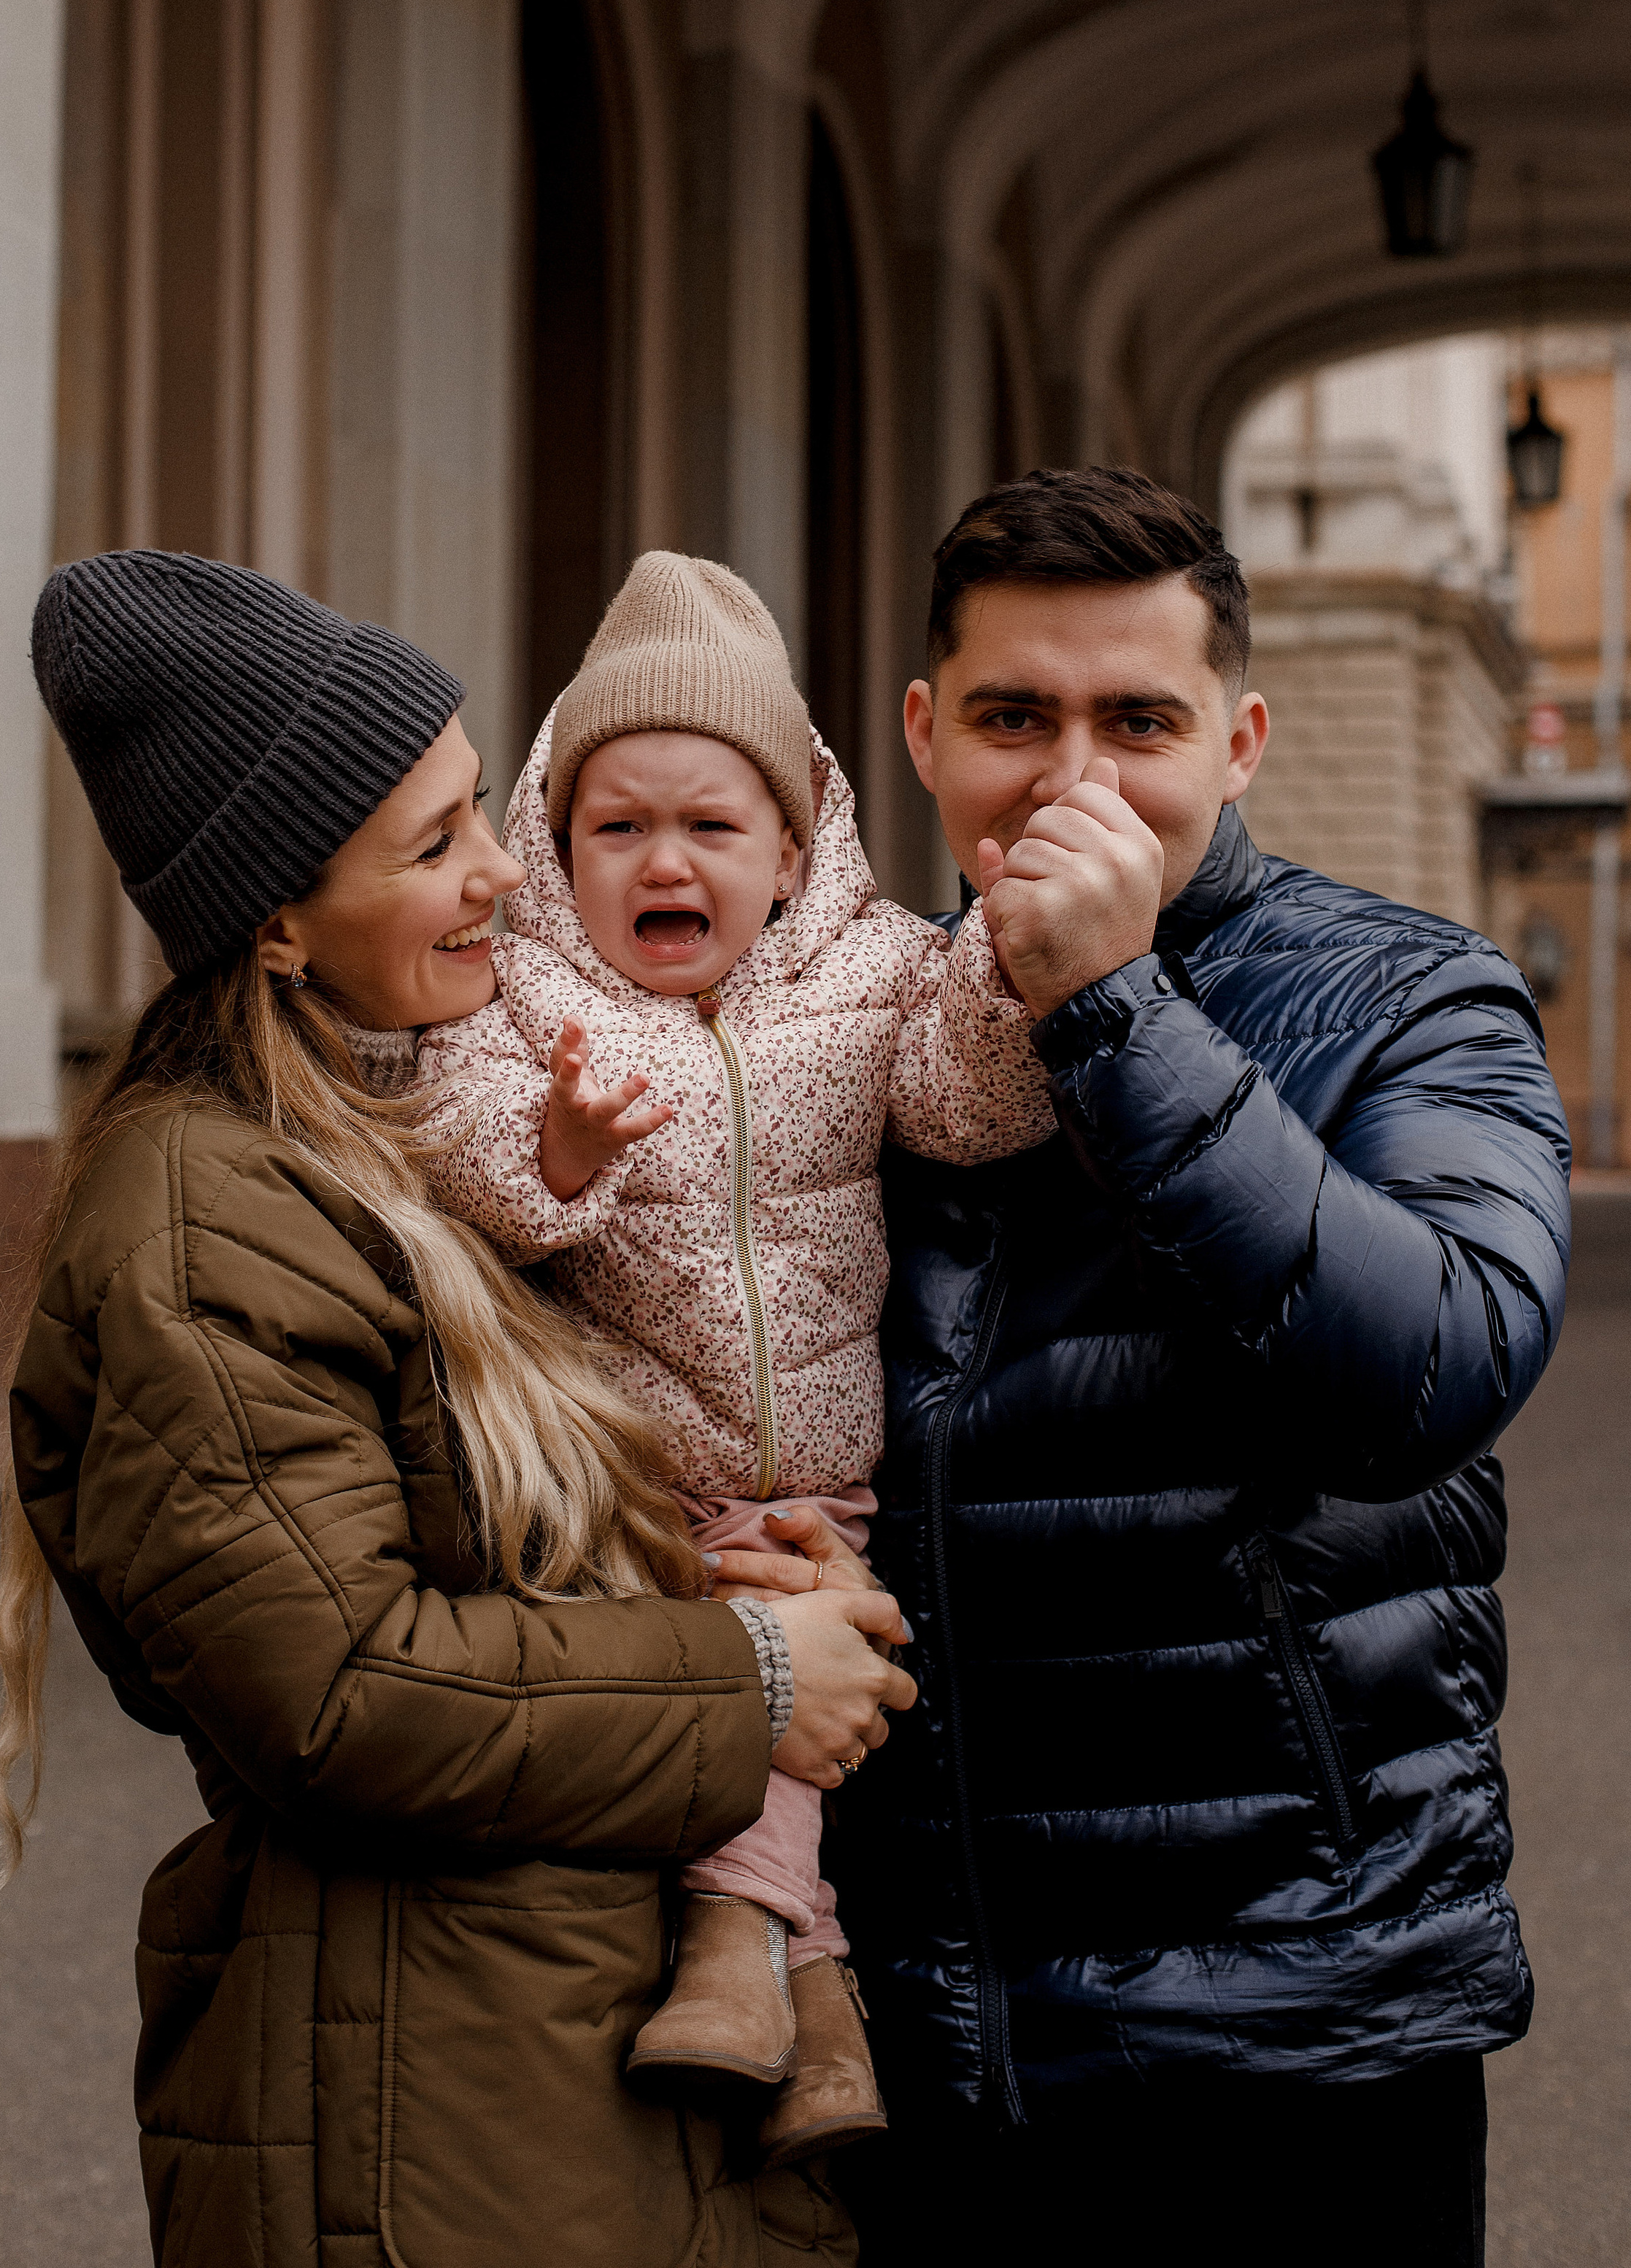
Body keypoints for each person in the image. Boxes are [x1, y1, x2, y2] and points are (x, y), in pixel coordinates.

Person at [0, 547, 917, 2268]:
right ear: (274, 916)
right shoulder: (208, 1212)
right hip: (427, 2115)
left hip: (540, 2061)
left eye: (485, 811)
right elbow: (335, 1685)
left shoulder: (411, 1144)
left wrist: (743, 1571)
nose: (505, 875)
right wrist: (753, 1676)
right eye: (433, 845)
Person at [733, 468, 1569, 2267]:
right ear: (919, 732)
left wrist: (1117, 1012)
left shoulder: (1410, 998)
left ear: (1239, 740)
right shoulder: (833, 1025)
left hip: (1296, 2030)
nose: (1073, 781)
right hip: (924, 2038)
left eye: (1139, 722)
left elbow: (1434, 1370)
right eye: (1013, 719)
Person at [407, 550, 1054, 2165]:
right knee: (738, 1697)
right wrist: (557, 1149)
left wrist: (1001, 963)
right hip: (616, 1483)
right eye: (615, 826)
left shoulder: (872, 971)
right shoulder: (524, 1004)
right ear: (558, 853)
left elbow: (968, 1108)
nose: (662, 859)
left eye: (710, 824)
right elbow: (456, 1141)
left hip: (822, 1477)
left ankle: (776, 1984)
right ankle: (752, 1964)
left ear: (791, 846)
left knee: (784, 1671)